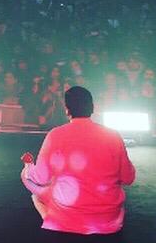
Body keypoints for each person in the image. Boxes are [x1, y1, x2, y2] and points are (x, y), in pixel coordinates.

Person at [20, 86, 136, 234]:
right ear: (92, 108)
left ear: (67, 109)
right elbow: (128, 178)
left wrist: (28, 168)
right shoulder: (113, 136)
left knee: (29, 181)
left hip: (67, 217)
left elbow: (41, 178)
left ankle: (51, 215)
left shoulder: (55, 135)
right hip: (108, 220)